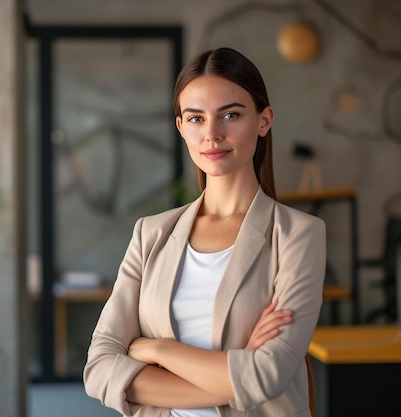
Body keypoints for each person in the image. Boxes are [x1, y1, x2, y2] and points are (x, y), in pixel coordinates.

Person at [84, 47, 326, 417]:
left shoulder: (298, 235)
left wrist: (154, 350)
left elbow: (266, 376)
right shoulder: (151, 234)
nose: (212, 134)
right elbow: (99, 369)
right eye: (196, 118)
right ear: (181, 127)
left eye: (230, 114)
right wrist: (233, 374)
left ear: (264, 121)